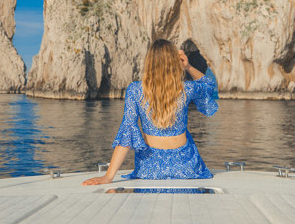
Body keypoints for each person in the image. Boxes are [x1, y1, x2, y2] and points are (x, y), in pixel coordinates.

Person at [82, 39, 218, 185]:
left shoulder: (135, 90)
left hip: (150, 167)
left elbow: (127, 133)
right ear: (174, 61)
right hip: (186, 166)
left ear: (149, 62)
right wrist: (188, 66)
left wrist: (108, 177)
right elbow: (208, 85)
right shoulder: (186, 89)